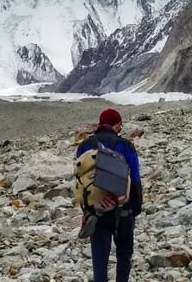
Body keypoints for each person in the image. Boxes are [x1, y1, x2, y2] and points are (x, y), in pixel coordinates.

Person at [76, 108, 142, 282]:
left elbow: (80, 178)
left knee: (99, 260)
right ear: (117, 125)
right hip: (123, 208)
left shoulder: (85, 146)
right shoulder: (125, 146)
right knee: (124, 254)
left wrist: (86, 209)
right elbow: (134, 178)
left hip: (96, 210)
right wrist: (134, 209)